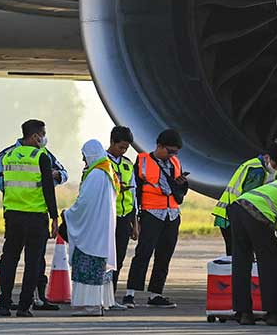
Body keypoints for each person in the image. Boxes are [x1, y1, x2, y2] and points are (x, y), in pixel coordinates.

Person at [0, 124, 70, 311]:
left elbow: (3, 183)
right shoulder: (41, 157)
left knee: (9, 258)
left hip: (13, 215)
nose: (44, 139)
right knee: (33, 262)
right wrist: (54, 216)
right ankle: (24, 305)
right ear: (36, 136)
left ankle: (4, 301)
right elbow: (47, 189)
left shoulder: (8, 156)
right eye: (43, 135)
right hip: (36, 217)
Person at [124, 128, 188, 308]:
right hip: (151, 213)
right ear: (159, 146)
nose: (172, 155)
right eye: (169, 151)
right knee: (143, 253)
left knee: (164, 255)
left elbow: (180, 191)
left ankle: (155, 294)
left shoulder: (175, 162)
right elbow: (134, 190)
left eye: (175, 152)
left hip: (172, 214)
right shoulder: (143, 161)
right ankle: (130, 293)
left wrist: (182, 184)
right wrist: (135, 217)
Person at [63, 140, 120, 316]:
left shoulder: (96, 174)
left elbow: (85, 202)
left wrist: (68, 213)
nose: (83, 160)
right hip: (102, 227)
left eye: (84, 156)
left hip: (91, 229)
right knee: (98, 264)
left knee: (87, 264)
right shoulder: (107, 171)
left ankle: (89, 305)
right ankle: (98, 303)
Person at [229, 176, 277, 326]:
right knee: (269, 262)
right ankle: (273, 313)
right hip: (259, 213)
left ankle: (243, 312)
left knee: (241, 262)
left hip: (238, 206)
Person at [212, 140, 277, 256]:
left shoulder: (273, 171)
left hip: (239, 215)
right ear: (267, 157)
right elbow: (250, 202)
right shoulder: (256, 170)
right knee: (239, 256)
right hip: (230, 217)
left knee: (244, 257)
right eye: (275, 164)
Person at [105, 126, 137, 307]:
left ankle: (112, 296)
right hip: (108, 217)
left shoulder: (127, 164)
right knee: (106, 258)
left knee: (119, 259)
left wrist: (135, 222)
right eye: (120, 147)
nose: (123, 151)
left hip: (125, 217)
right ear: (112, 142)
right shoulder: (102, 161)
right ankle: (102, 295)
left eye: (126, 148)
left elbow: (134, 195)